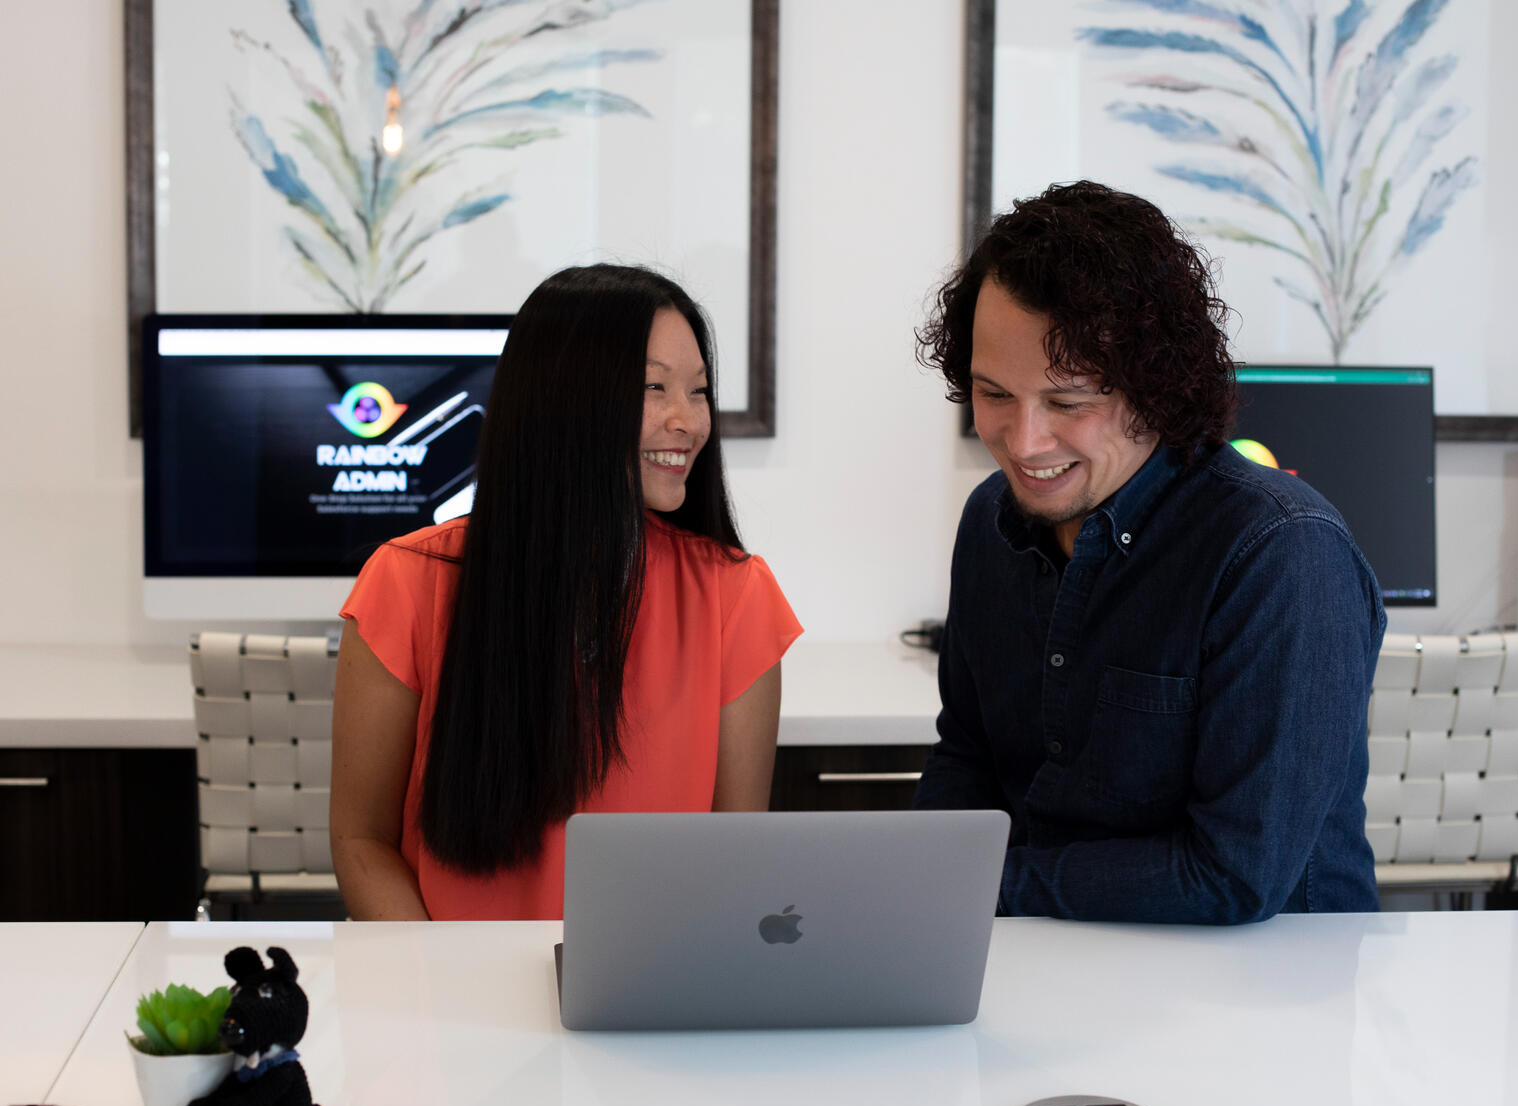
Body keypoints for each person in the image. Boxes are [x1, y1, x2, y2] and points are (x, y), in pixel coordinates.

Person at [912, 181, 1384, 923]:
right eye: (994, 394)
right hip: (1052, 953)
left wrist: (986, 888)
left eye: (1068, 403)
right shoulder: (989, 524)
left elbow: (1235, 873)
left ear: (1156, 386)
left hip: (1266, 979)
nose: (1023, 442)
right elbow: (967, 757)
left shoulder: (1280, 554)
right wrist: (914, 883)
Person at [330, 264, 801, 920]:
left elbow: (732, 862)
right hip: (448, 978)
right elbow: (361, 839)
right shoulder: (406, 582)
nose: (689, 421)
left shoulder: (736, 597)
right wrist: (433, 969)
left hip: (646, 977)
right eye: (654, 387)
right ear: (563, 400)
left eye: (697, 391)